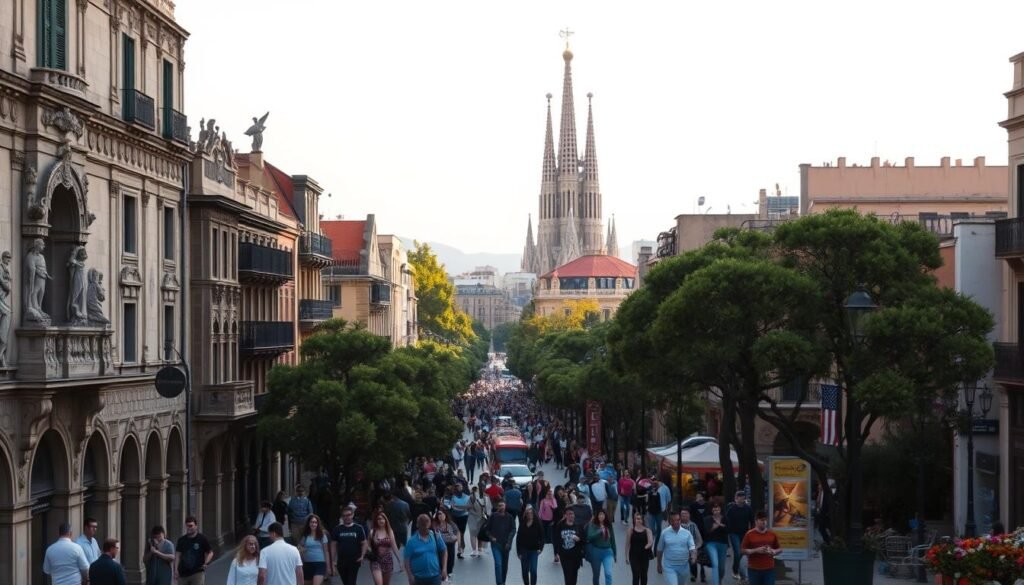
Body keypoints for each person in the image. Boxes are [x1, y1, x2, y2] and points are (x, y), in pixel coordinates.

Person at [404, 514, 448, 585]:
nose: (425, 527)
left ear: (429, 524)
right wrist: (410, 576)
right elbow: (407, 560)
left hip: (435, 576)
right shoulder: (411, 542)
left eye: (427, 524)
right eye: (422, 525)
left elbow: (444, 550)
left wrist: (444, 568)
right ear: (417, 525)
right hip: (418, 578)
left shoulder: (435, 536)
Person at [740, 511, 782, 585]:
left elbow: (780, 549)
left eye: (765, 520)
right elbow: (742, 550)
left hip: (769, 569)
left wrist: (773, 551)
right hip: (754, 570)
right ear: (756, 521)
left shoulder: (772, 534)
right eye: (762, 520)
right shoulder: (749, 534)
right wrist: (756, 550)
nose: (764, 522)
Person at [656, 511, 697, 585]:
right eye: (674, 520)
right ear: (670, 521)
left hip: (684, 566)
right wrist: (659, 564)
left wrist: (693, 556)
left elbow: (692, 547)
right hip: (669, 566)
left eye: (678, 520)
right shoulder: (664, 533)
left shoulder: (687, 533)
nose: (676, 522)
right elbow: (660, 550)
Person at [330, 506, 367, 585]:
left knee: (351, 582)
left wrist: (362, 556)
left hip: (354, 560)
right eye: (344, 515)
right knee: (346, 582)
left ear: (352, 515)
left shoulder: (358, 528)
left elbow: (364, 543)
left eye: (348, 515)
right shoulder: (337, 529)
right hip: (341, 561)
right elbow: (333, 545)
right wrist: (332, 561)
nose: (346, 517)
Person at [175, 516, 214, 585]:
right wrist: (176, 569)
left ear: (196, 526)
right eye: (187, 526)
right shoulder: (181, 540)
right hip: (183, 573)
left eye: (190, 526)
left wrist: (206, 563)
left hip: (197, 573)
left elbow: (210, 552)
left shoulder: (202, 539)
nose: (188, 528)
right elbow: (177, 555)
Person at [725, 491, 754, 583]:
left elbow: (752, 520)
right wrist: (727, 532)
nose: (741, 499)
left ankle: (741, 573)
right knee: (737, 552)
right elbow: (726, 520)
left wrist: (752, 532)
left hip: (744, 533)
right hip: (734, 533)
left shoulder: (748, 508)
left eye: (743, 497)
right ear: (736, 498)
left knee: (741, 553)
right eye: (739, 497)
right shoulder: (732, 509)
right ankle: (735, 570)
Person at [554, 508, 586, 585]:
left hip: (576, 556)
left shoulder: (578, 525)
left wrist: (579, 539)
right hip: (565, 555)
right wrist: (556, 553)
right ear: (565, 515)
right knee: (568, 575)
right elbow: (556, 540)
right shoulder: (560, 525)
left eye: (572, 514)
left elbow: (584, 540)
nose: (571, 516)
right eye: (569, 514)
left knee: (574, 576)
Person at [586, 508, 617, 585]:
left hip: (608, 552)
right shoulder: (593, 525)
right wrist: (599, 531)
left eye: (603, 514)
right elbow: (589, 537)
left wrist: (615, 553)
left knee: (608, 573)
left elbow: (612, 539)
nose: (601, 516)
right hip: (596, 551)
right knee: (596, 575)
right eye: (600, 514)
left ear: (605, 516)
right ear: (597, 516)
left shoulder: (608, 525)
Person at [298, 514, 330, 585]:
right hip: (307, 563)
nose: (314, 524)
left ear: (318, 524)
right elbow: (299, 547)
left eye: (315, 522)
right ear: (308, 523)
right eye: (312, 522)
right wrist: (301, 549)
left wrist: (328, 567)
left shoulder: (322, 535)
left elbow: (326, 551)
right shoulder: (305, 536)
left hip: (320, 563)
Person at [368, 511, 398, 585]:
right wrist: (370, 551)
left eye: (382, 519)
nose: (381, 521)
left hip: (388, 560)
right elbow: (367, 545)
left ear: (385, 520)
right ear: (376, 521)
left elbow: (394, 546)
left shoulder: (389, 531)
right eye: (378, 519)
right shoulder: (373, 532)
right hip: (376, 560)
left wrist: (400, 560)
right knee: (379, 583)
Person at [516, 507, 544, 585]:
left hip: (534, 550)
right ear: (526, 514)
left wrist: (540, 548)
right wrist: (518, 552)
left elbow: (542, 537)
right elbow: (518, 538)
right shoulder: (523, 524)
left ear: (534, 514)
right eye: (528, 513)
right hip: (523, 550)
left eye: (531, 513)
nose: (529, 515)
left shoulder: (538, 523)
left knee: (533, 570)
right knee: (524, 570)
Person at [703, 504, 729, 585]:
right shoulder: (707, 519)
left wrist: (720, 525)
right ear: (711, 510)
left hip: (723, 544)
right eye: (714, 510)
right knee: (715, 563)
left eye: (717, 509)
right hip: (711, 543)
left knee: (721, 568)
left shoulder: (725, 519)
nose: (716, 511)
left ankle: (719, 580)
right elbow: (706, 532)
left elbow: (729, 530)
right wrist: (714, 527)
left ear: (720, 510)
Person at [625, 512, 654, 585]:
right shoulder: (631, 530)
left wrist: (647, 546)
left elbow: (650, 541)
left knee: (644, 575)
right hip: (633, 555)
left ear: (643, 520)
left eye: (641, 519)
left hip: (644, 555)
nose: (639, 520)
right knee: (636, 574)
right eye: (637, 519)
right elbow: (627, 544)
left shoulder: (647, 530)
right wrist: (626, 557)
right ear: (634, 520)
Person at [432, 509, 460, 579]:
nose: (440, 516)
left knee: (450, 560)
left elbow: (457, 532)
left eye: (442, 514)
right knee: (440, 560)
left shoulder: (450, 523)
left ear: (445, 514)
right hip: (439, 545)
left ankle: (448, 573)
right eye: (439, 514)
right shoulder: (434, 524)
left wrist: (459, 544)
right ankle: (443, 574)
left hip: (450, 544)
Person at [679, 510, 704, 585]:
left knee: (693, 559)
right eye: (682, 514)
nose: (684, 516)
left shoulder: (693, 525)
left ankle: (693, 574)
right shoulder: (677, 525)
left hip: (692, 547)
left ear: (689, 515)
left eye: (686, 514)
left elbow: (699, 539)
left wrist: (696, 547)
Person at [449, 483, 471, 558]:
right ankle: (459, 549)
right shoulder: (452, 496)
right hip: (454, 516)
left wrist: (457, 506)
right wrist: (462, 507)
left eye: (460, 487)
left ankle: (460, 549)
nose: (459, 489)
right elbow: (452, 506)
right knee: (457, 533)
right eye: (457, 488)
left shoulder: (467, 496)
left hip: (464, 517)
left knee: (461, 534)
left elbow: (468, 506)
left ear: (462, 488)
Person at [467, 486, 489, 557]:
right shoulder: (485, 497)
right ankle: (480, 549)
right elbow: (488, 508)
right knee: (480, 533)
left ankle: (474, 551)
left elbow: (468, 507)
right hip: (482, 517)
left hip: (472, 518)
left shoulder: (471, 497)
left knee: (473, 535)